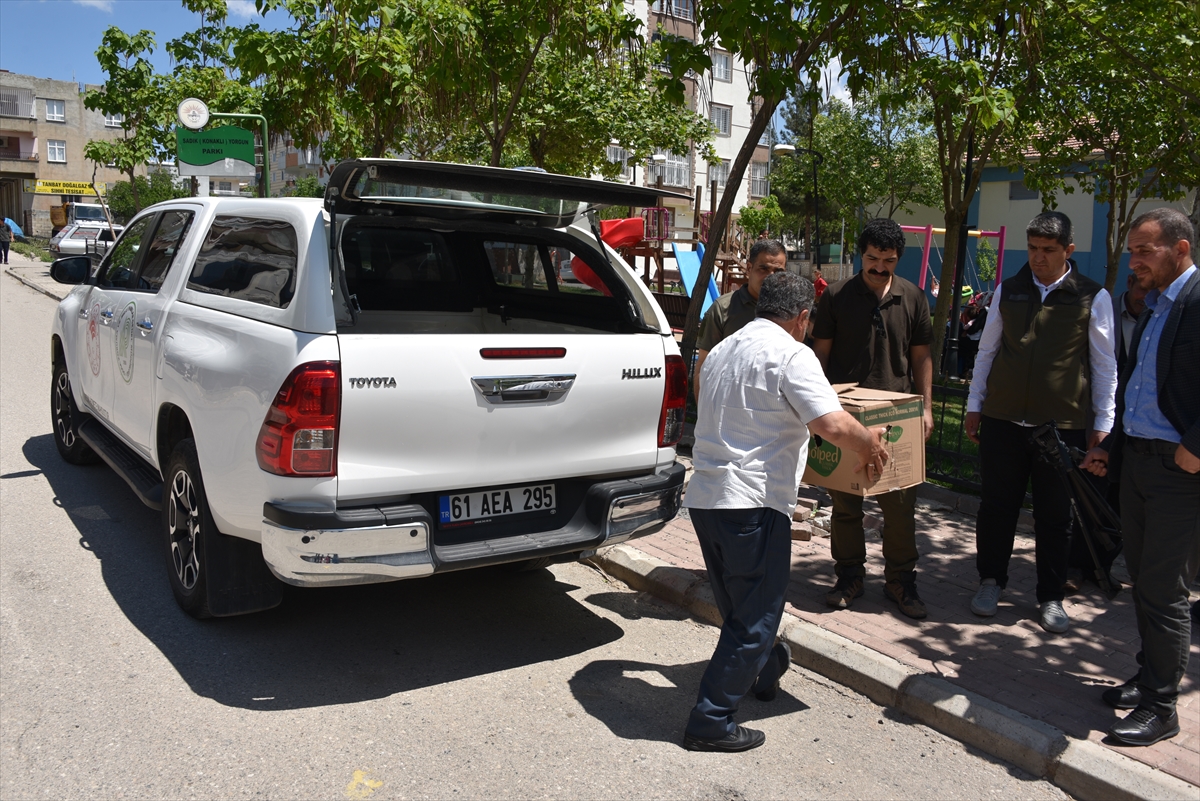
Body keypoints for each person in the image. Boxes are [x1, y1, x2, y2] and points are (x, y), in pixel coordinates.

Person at [683, 272, 889, 752]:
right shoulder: (793, 354)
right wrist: (869, 444)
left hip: (708, 497)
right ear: (801, 317)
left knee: (741, 606)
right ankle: (710, 721)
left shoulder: (723, 350)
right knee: (754, 617)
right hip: (753, 502)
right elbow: (832, 423)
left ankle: (765, 667)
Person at [965, 211, 1117, 634]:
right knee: (997, 508)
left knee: (1055, 516)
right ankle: (991, 581)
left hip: (1061, 426)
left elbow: (1105, 368)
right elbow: (988, 351)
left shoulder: (1092, 296)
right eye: (1032, 248)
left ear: (1068, 250)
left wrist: (1103, 424)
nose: (1038, 257)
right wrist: (975, 404)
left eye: (1048, 250)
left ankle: (1050, 596)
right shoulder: (1008, 290)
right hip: (1002, 419)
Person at [1080, 207, 1199, 747]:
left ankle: (1162, 707)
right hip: (1142, 462)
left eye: (1144, 250)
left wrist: (1195, 448)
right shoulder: (1155, 306)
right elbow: (1142, 390)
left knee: (1163, 589)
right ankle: (1149, 676)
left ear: (1180, 249)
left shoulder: (1195, 302)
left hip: (1179, 468)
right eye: (1132, 250)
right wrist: (1114, 448)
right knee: (1143, 585)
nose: (1134, 261)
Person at [811, 217, 935, 619]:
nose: (880, 267)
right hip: (846, 417)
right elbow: (820, 354)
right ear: (859, 254)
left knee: (899, 508)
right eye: (872, 258)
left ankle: (901, 580)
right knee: (846, 505)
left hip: (897, 418)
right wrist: (815, 405)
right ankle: (849, 576)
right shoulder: (835, 296)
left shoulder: (914, 298)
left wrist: (927, 408)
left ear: (898, 258)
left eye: (888, 260)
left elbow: (921, 358)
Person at [694, 239, 788, 394]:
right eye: (763, 269)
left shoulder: (792, 311)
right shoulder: (723, 309)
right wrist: (704, 414)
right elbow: (703, 368)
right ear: (749, 268)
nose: (770, 277)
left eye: (778, 272)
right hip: (730, 406)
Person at [1112, 271, 1149, 373]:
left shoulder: (1160, 317)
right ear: (1130, 282)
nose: (1147, 298)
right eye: (1143, 289)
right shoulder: (1105, 311)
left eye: (1154, 292)